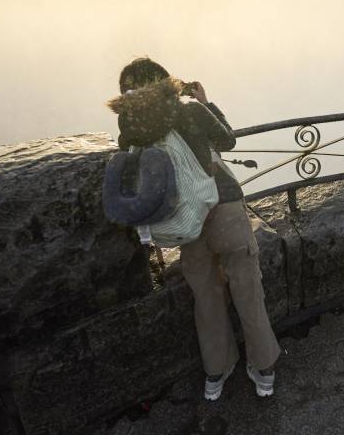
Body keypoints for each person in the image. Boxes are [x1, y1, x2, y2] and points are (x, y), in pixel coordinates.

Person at [107, 57, 281, 401]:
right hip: (223, 204)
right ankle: (264, 371)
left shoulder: (131, 128)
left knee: (206, 296)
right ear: (165, 82)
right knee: (248, 288)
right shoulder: (189, 110)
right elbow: (227, 141)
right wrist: (206, 102)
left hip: (184, 219)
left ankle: (216, 372)